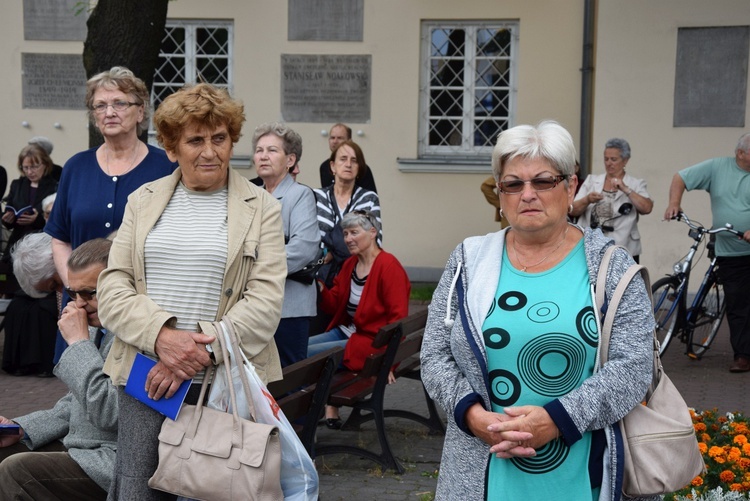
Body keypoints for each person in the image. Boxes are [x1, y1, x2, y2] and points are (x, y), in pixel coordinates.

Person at [421, 121, 656, 500]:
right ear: (500, 195)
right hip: (484, 466)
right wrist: (472, 415)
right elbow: (434, 355)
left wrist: (557, 419)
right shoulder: (469, 260)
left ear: (571, 186)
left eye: (543, 181)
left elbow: (634, 366)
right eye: (513, 184)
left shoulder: (612, 267)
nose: (527, 194)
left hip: (581, 472)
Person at [96, 83, 287, 500]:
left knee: (225, 491)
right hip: (148, 379)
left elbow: (265, 301)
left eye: (219, 138)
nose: (209, 151)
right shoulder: (142, 201)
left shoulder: (262, 208)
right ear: (170, 148)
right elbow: (112, 286)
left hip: (227, 384)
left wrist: (194, 355)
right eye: (195, 140)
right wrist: (162, 338)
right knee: (138, 490)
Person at [44, 66, 176, 362]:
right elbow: (59, 238)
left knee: (130, 399)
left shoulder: (166, 168)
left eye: (119, 103)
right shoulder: (76, 167)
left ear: (141, 111)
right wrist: (78, 288)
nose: (109, 112)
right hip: (81, 310)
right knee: (80, 393)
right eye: (100, 105)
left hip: (140, 308)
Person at [0, 238, 117, 500]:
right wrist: (22, 429)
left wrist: (78, 344)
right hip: (81, 447)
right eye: (73, 293)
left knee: (17, 470)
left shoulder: (139, 337)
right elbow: (74, 405)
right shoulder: (99, 327)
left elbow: (110, 413)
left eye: (90, 293)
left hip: (112, 459)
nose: (79, 304)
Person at [307, 210, 410, 428]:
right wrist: (320, 287)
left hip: (369, 344)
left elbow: (398, 320)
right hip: (349, 332)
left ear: (373, 232)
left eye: (354, 232)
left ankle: (305, 413)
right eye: (345, 234)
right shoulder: (350, 264)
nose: (348, 239)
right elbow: (334, 302)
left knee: (304, 356)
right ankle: (313, 407)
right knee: (300, 347)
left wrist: (390, 362)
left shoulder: (389, 267)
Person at [665, 132, 750, 373]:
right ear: (741, 153)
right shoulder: (718, 168)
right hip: (730, 250)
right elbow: (680, 177)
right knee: (737, 304)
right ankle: (743, 355)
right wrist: (674, 203)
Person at [252, 122, 320, 367]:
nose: (263, 156)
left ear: (290, 160)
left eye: (272, 150)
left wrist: (253, 266)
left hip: (289, 308)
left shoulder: (299, 195)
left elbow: (304, 248)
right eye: (259, 150)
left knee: (288, 380)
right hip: (255, 306)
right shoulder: (252, 195)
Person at [571, 138, 653, 262]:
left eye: (613, 159)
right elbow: (572, 210)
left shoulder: (635, 184)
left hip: (625, 248)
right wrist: (587, 199)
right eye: (606, 159)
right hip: (592, 247)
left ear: (625, 160)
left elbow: (647, 208)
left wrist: (626, 189)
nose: (609, 163)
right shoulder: (592, 181)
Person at [314, 140, 381, 289]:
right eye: (343, 159)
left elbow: (373, 242)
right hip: (318, 282)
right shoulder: (316, 197)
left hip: (358, 280)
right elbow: (308, 240)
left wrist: (330, 251)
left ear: (359, 168)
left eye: (354, 160)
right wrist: (348, 240)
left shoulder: (368, 198)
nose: (348, 164)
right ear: (332, 166)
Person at [1, 233, 61, 377]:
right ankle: (21, 363)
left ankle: (46, 363)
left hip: (50, 300)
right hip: (33, 294)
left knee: (42, 311)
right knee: (17, 307)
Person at [2, 144, 58, 262]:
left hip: (41, 242)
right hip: (17, 241)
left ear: (45, 164)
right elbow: (10, 209)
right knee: (5, 276)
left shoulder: (54, 187)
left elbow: (57, 218)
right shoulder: (17, 185)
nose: (29, 172)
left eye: (34, 167)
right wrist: (7, 219)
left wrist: (37, 219)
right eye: (25, 167)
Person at [319, 123, 377, 192]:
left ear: (349, 141)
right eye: (332, 138)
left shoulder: (361, 167)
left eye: (340, 138)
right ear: (332, 166)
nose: (335, 141)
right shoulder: (324, 167)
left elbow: (371, 198)